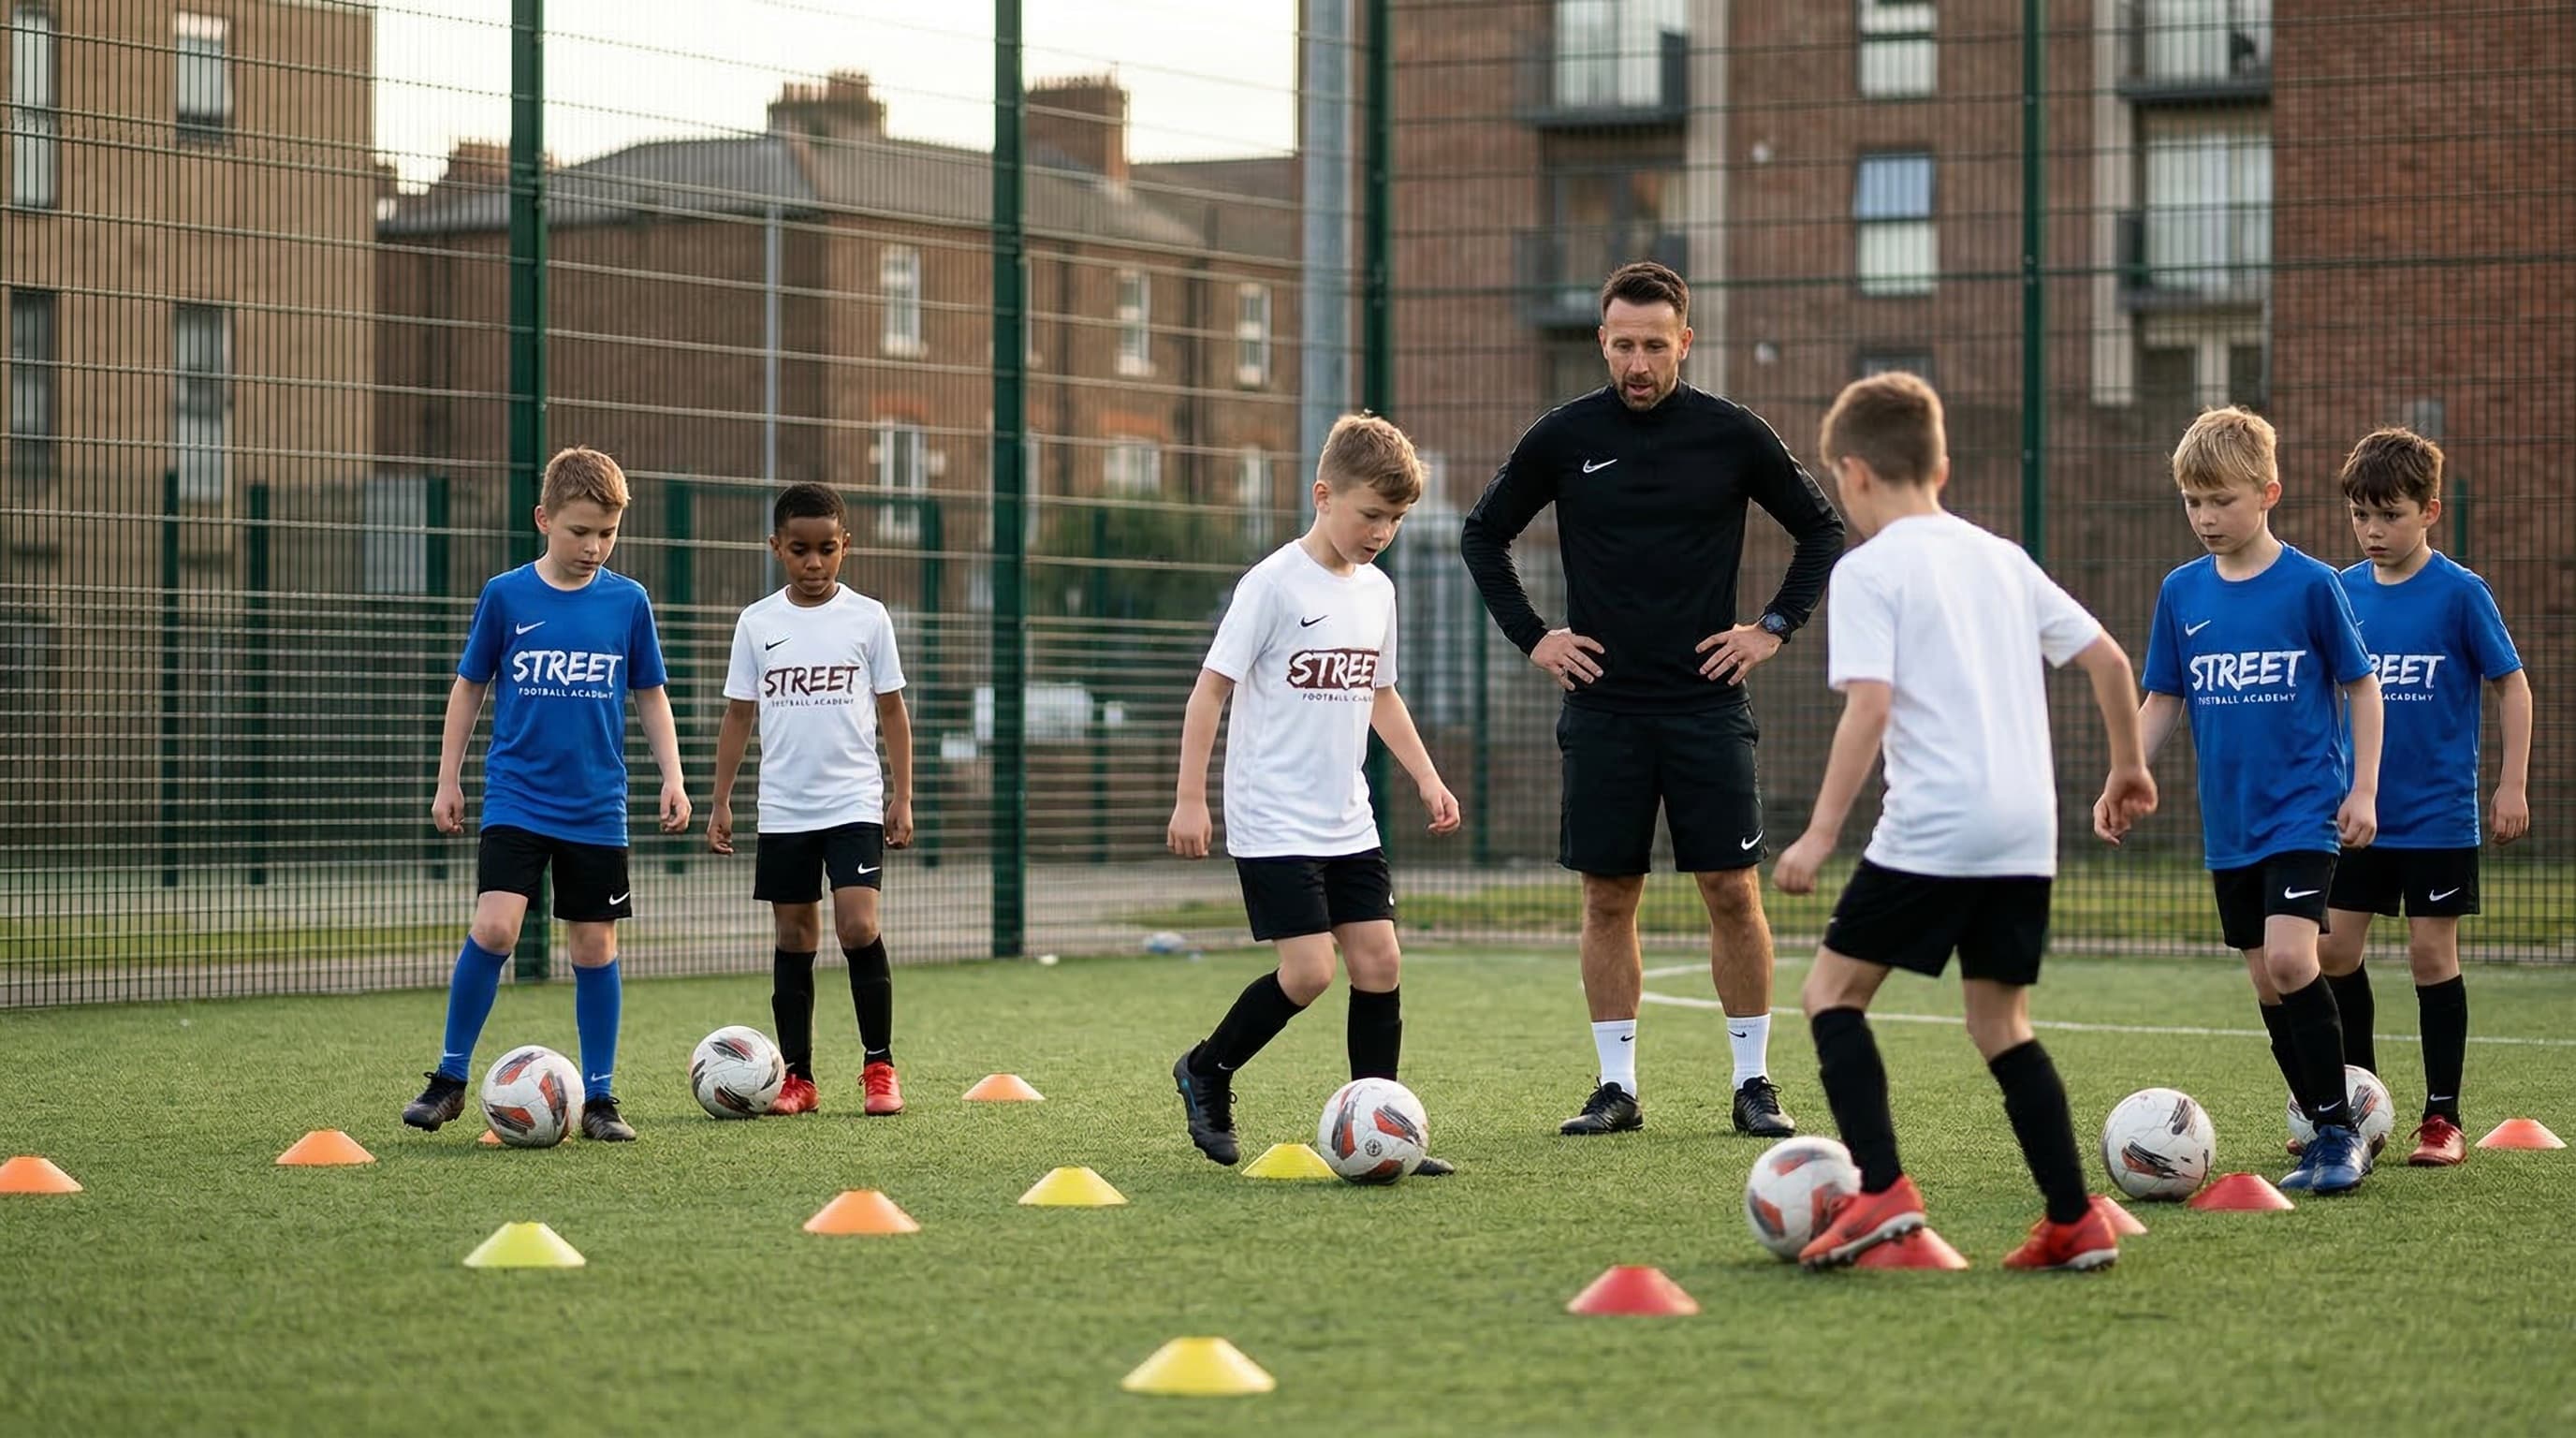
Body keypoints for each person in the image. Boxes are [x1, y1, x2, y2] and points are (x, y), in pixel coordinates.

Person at [1773, 373, 2156, 1271]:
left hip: (1935, 828)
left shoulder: (1867, 570)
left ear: (1852, 474)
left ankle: (1881, 1192)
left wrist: (1820, 834)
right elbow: (2107, 659)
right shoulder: (2001, 557)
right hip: (2027, 831)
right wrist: (2129, 765)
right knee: (2000, 1024)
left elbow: (1869, 707)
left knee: (1831, 997)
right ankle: (2073, 1218)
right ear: (1940, 464)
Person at [1461, 259, 1844, 1139]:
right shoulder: (1562, 437)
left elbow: (1820, 527)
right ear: (1602, 341)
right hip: (1603, 709)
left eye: (1655, 346)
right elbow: (1484, 534)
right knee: (1608, 896)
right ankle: (1616, 1087)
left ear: (1685, 342)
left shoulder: (1733, 434)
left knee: (1729, 889)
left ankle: (1753, 1084)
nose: (1638, 364)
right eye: (1623, 345)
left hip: (1707, 706)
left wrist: (1773, 626)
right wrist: (1537, 636)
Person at [1166, 414, 1463, 1173]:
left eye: (1395, 520)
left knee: (1380, 965)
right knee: (1309, 973)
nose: (1382, 532)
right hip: (1273, 819)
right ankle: (1207, 1069)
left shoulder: (1378, 591)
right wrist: (1191, 799)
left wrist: (1427, 777)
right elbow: (1209, 693)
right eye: (1371, 514)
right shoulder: (1270, 585)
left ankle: (1383, 1126)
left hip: (1347, 818)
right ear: (1323, 495)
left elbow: (1381, 695)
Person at [2101, 406, 2384, 1195]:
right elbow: (2163, 698)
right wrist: (2126, 771)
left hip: (2304, 814)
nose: (2205, 517)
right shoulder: (2181, 591)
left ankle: (2337, 1135)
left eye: (2221, 500)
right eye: (2193, 501)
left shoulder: (2312, 585)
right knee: (2267, 982)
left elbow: (2363, 687)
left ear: (2268, 493)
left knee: (2296, 959)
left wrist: (2361, 787)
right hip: (2230, 829)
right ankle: (2320, 1112)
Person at [401, 446, 691, 1141]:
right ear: (544, 519)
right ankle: (447, 1080)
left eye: (608, 533)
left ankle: (600, 1099)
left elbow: (650, 694)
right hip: (517, 797)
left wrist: (673, 776)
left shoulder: (628, 602)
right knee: (496, 928)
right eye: (580, 530)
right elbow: (469, 687)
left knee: (593, 946)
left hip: (597, 805)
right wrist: (449, 778)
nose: (594, 547)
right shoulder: (506, 595)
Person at [2314, 427, 2530, 1167]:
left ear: (2430, 510)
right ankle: (2357, 1106)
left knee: (2430, 956)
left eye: (2391, 515)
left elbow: (2513, 685)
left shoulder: (2462, 593)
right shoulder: (2338, 593)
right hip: (2356, 815)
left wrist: (2511, 783)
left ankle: (2442, 1119)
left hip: (2438, 816)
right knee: (2333, 952)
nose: (2374, 531)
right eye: (2361, 516)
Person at [708, 482, 915, 1117]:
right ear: (776, 548)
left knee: (858, 925)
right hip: (785, 808)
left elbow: (892, 711)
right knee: (796, 936)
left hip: (852, 800)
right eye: (800, 550)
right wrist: (720, 800)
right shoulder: (757, 623)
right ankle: (797, 1078)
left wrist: (902, 796)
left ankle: (879, 1067)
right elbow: (739, 716)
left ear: (845, 546)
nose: (815, 563)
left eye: (827, 549)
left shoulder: (869, 617)